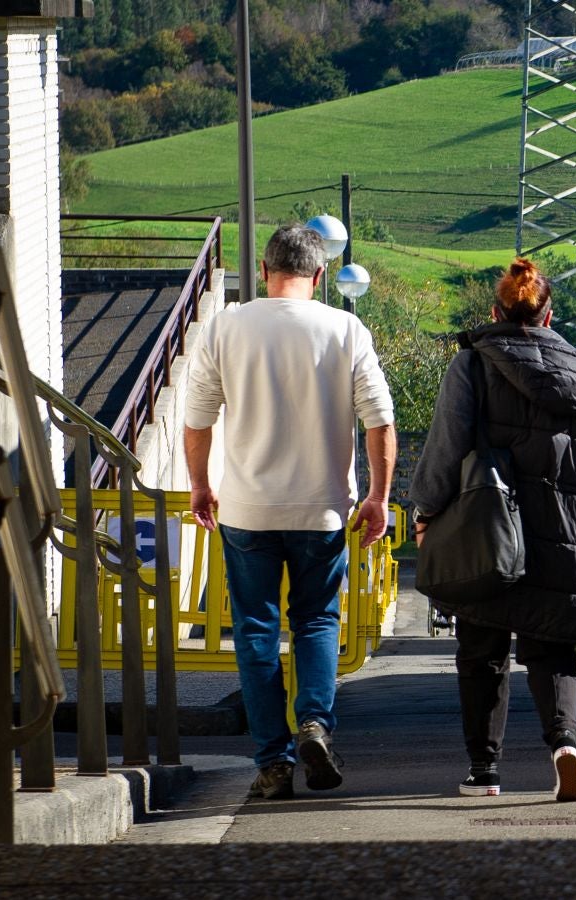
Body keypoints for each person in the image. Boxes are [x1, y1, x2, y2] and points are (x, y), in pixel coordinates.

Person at [183, 224, 396, 801]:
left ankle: (272, 764)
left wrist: (200, 486)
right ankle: (315, 725)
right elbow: (379, 419)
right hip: (321, 509)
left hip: (246, 509)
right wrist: (377, 496)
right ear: (320, 274)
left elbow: (197, 418)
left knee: (255, 631)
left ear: (263, 270)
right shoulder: (345, 328)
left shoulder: (227, 326)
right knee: (316, 621)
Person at [410, 257, 576, 802]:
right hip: (565, 530)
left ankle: (484, 772)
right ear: (549, 317)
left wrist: (426, 511)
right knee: (553, 647)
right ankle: (565, 745)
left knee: (481, 648)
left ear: (495, 312)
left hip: (486, 528)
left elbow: (447, 445)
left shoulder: (474, 364)